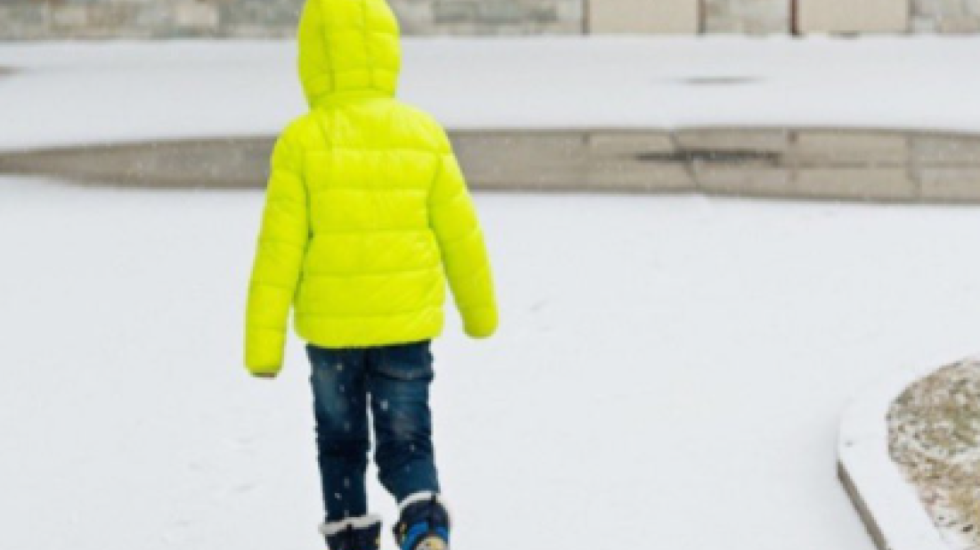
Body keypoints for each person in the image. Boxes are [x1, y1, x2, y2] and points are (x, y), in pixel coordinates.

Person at [243, 0, 498, 549]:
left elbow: (278, 252)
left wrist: (263, 346)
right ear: (386, 55)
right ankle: (424, 522)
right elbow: (461, 233)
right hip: (404, 325)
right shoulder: (422, 133)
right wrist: (479, 312)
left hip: (332, 333)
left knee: (340, 444)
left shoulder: (302, 141)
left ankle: (352, 538)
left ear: (314, 59)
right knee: (408, 440)